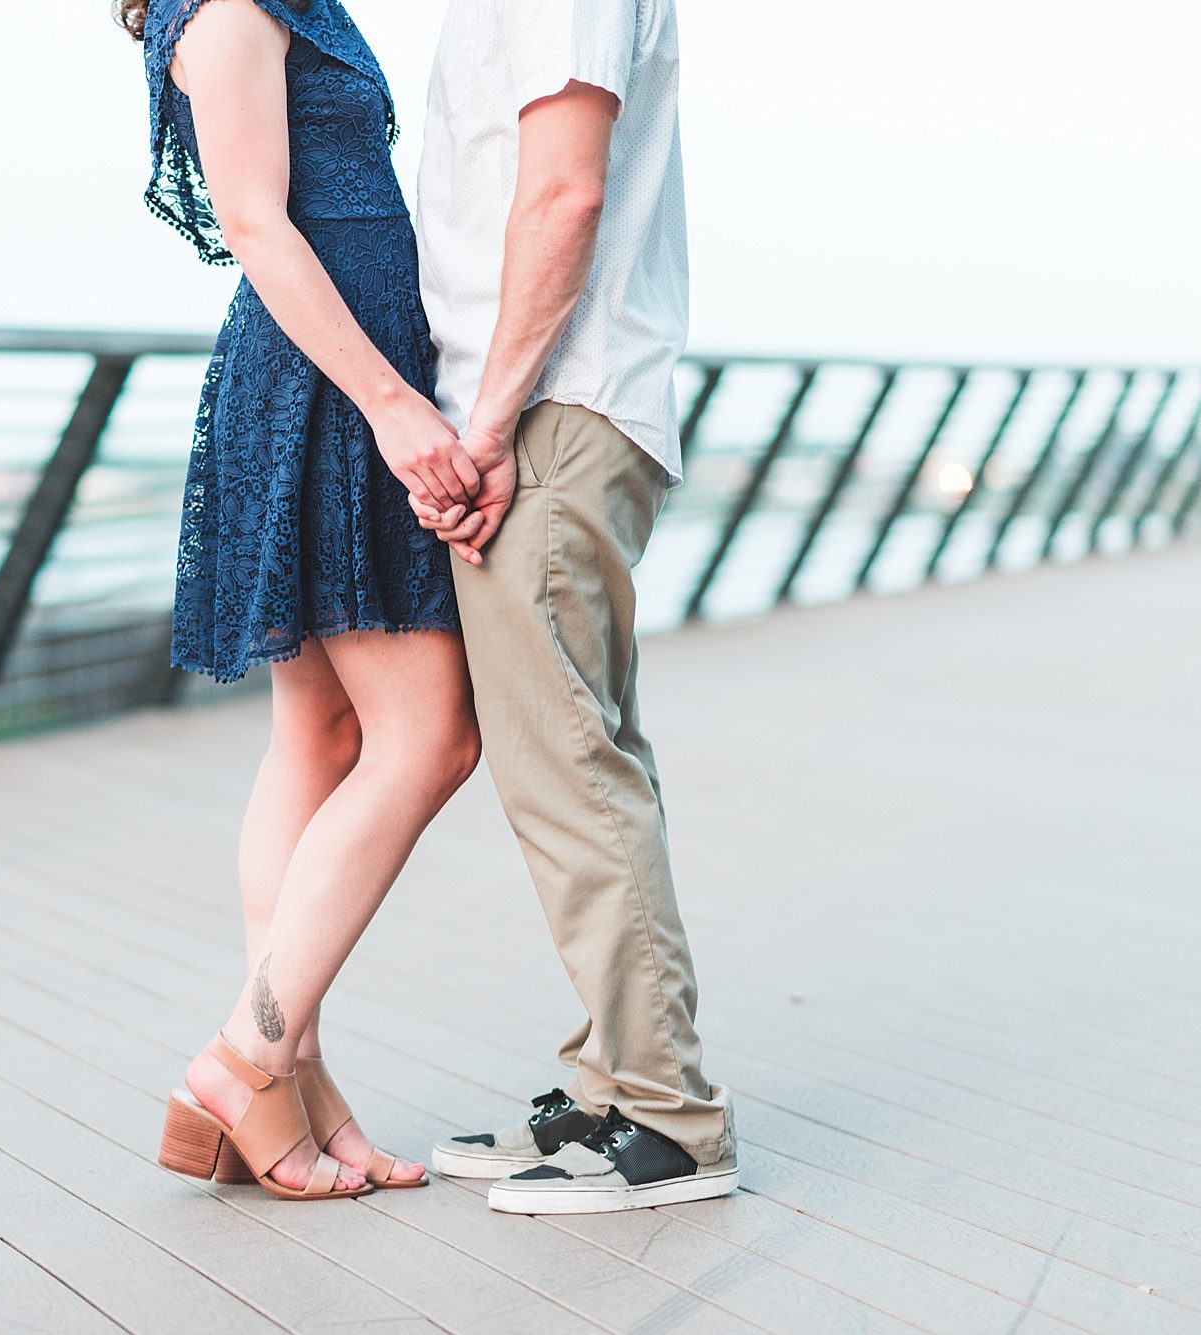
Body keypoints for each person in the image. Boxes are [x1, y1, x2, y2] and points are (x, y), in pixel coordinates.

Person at [120, 0, 483, 1200]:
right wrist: (390, 406)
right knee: (429, 736)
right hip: (328, 388)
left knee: (321, 735)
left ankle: (295, 1082)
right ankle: (246, 1055)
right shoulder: (225, 11)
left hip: (350, 372)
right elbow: (252, 224)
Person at [413, 0, 740, 1214]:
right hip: (554, 404)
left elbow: (564, 194)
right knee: (584, 758)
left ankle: (667, 1121)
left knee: (567, 771)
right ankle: (613, 1090)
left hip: (549, 410)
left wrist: (486, 425)